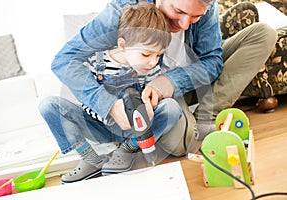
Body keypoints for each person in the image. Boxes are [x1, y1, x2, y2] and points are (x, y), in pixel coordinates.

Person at [39, 0, 278, 182]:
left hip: (182, 80)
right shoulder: (123, 10)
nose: (184, 25)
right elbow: (64, 60)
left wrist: (169, 81)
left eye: (195, 16)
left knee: (264, 34)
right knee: (181, 144)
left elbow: (212, 61)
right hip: (159, 97)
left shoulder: (208, 5)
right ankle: (191, 128)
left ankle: (208, 116)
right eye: (179, 12)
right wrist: (109, 105)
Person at [39, 2, 181, 183]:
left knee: (171, 108)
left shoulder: (149, 68)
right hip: (100, 126)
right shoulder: (96, 62)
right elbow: (86, 101)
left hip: (133, 130)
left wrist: (149, 105)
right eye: (146, 54)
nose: (153, 62)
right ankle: (91, 159)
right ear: (123, 45)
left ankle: (128, 149)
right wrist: (107, 110)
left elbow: (152, 101)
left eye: (158, 55)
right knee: (48, 106)